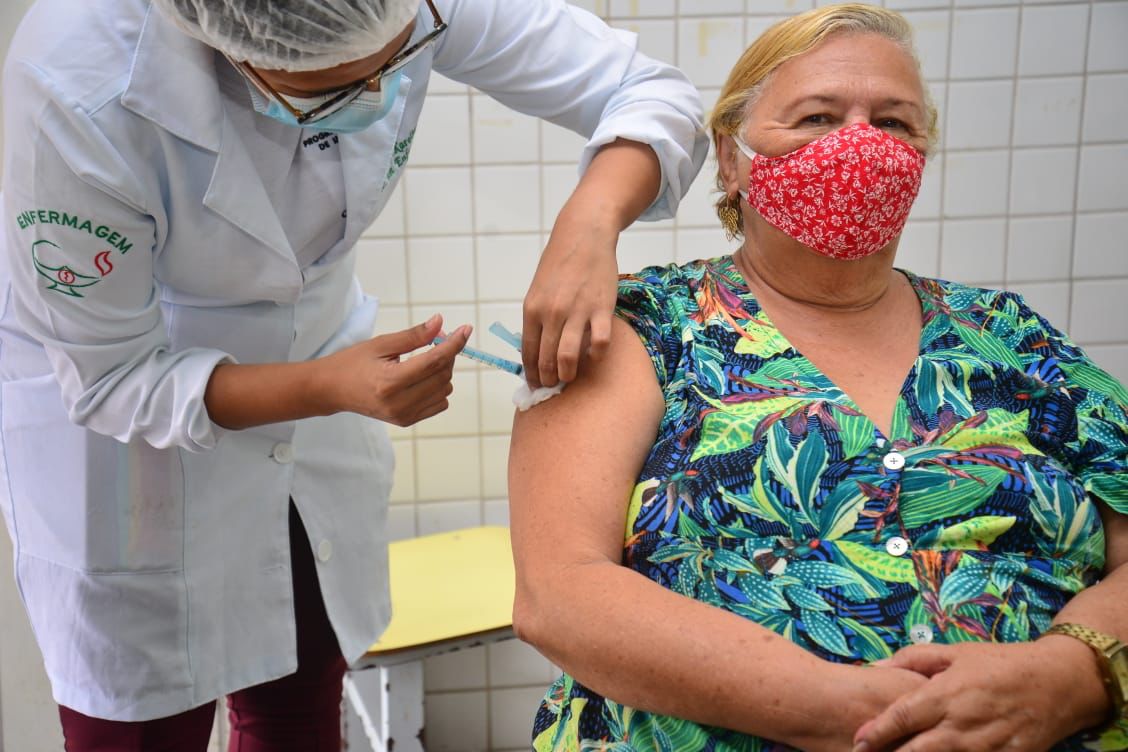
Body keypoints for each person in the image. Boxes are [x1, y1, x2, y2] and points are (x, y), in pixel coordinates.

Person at [0, 0, 707, 748]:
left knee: (301, 704)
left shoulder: (400, 4)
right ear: (232, 56)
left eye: (403, 56)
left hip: (318, 384)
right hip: (128, 450)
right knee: (141, 726)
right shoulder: (78, 90)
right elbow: (112, 378)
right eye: (334, 93)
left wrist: (588, 225)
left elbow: (650, 90)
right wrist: (325, 386)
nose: (380, 97)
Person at [508, 5, 1128, 751]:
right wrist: (849, 714)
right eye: (816, 117)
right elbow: (560, 593)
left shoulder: (1007, 333)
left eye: (894, 123)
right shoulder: (645, 328)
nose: (860, 145)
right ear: (731, 160)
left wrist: (1078, 671)